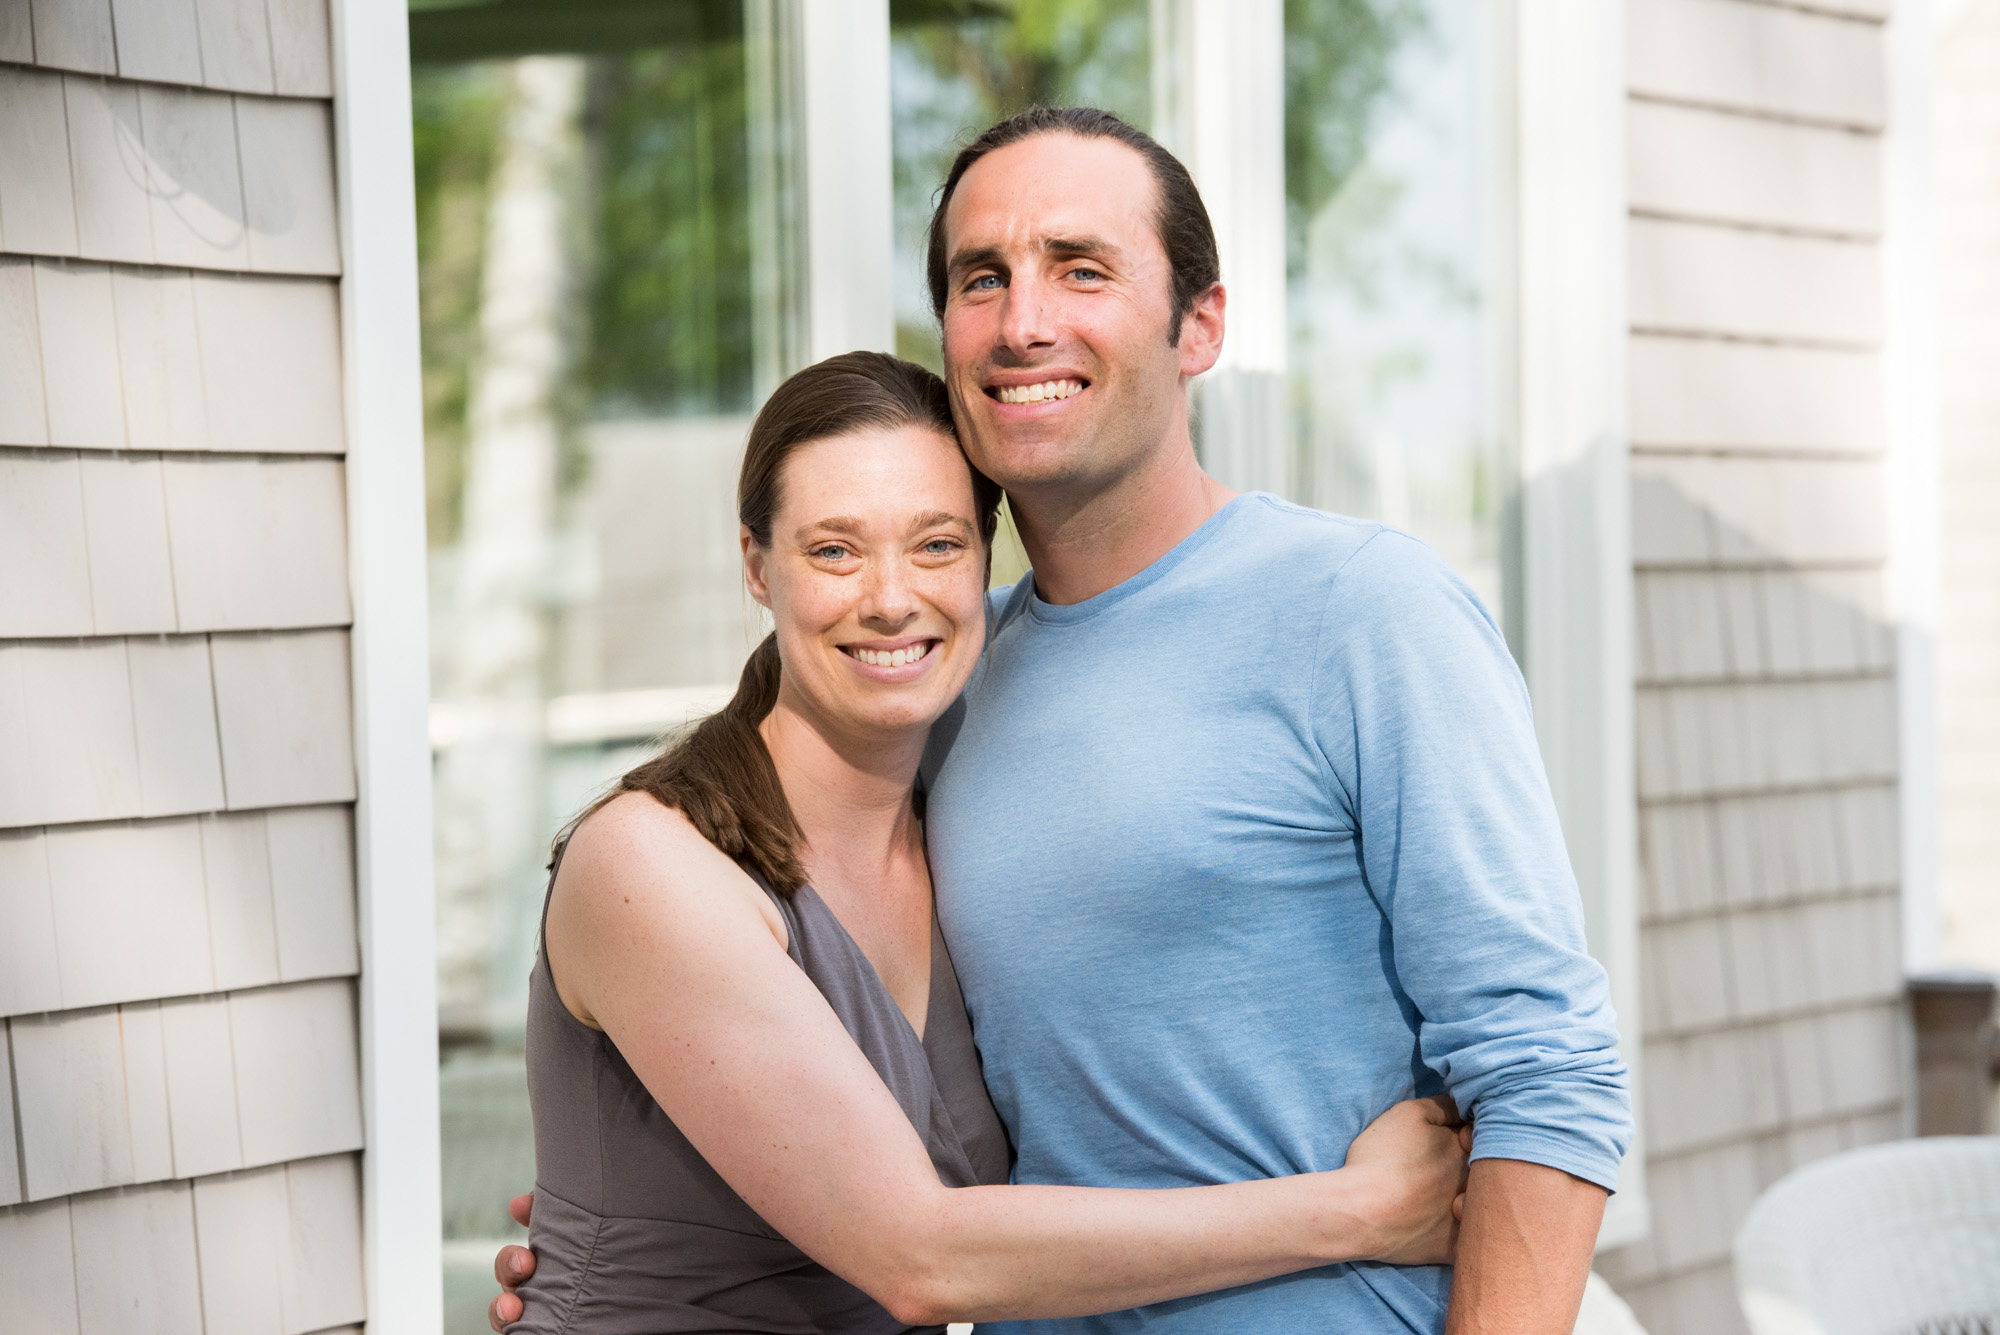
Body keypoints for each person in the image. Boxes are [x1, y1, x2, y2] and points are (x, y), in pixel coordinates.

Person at [499, 106, 1632, 1333]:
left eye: (1079, 268)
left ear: (1198, 324)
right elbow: (867, 1175)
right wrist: (623, 1225)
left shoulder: (1358, 610)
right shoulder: (941, 683)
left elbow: (1544, 1069)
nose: (1023, 319)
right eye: (981, 278)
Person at [495, 349, 1470, 1334]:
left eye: (935, 545)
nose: (888, 597)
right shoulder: (651, 868)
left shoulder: (957, 839)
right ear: (756, 566)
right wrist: (1363, 1210)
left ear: (985, 562)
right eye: (834, 550)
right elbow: (919, 1258)